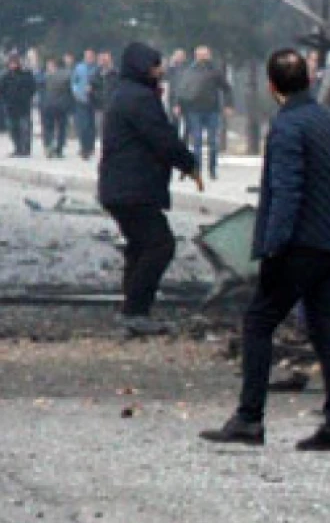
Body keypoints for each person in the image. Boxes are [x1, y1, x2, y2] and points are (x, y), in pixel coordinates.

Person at [200, 49, 330, 451]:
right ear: (308, 78)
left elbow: (287, 192)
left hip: (298, 246)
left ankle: (249, 419)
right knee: (326, 331)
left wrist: (272, 249)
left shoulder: (288, 128)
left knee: (258, 322)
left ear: (273, 87)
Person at [97, 43, 202, 335]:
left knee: (140, 245)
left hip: (121, 186)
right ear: (142, 67)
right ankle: (135, 311)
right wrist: (189, 164)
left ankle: (131, 308)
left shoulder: (126, 93)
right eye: (155, 65)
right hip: (133, 187)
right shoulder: (139, 98)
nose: (161, 70)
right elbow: (162, 137)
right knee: (159, 244)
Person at [175, 46, 235, 180]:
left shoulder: (215, 72)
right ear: (196, 56)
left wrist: (228, 105)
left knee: (213, 142)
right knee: (197, 141)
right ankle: (197, 169)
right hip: (194, 111)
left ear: (209, 55)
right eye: (200, 55)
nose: (202, 57)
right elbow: (182, 89)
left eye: (205, 55)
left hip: (212, 110)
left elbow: (227, 88)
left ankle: (212, 169)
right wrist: (178, 104)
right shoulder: (190, 71)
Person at [38, 56, 74, 159]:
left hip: (48, 105)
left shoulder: (46, 76)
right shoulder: (67, 75)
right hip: (62, 106)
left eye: (49, 64)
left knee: (48, 127)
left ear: (54, 65)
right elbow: (70, 92)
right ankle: (59, 149)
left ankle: (49, 145)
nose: (47, 66)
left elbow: (40, 89)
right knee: (61, 128)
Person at [1, 55, 37, 157]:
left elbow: (33, 88)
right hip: (10, 106)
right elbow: (2, 89)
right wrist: (5, 99)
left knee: (25, 128)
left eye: (15, 63)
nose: (13, 65)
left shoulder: (26, 75)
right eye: (11, 63)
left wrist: (27, 97)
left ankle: (25, 149)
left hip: (24, 106)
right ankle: (17, 148)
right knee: (13, 128)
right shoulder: (6, 76)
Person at [71, 49, 99, 159]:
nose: (89, 58)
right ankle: (84, 148)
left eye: (91, 56)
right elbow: (74, 81)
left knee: (91, 126)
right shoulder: (79, 68)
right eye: (87, 56)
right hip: (81, 100)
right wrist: (76, 92)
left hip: (93, 101)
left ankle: (90, 147)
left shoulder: (97, 69)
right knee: (83, 125)